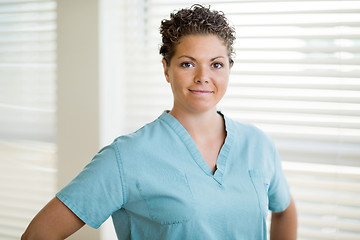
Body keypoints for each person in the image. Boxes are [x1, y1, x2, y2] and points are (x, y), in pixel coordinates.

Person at [22, 4, 297, 240]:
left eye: (216, 64)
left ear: (228, 69)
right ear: (166, 69)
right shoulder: (127, 157)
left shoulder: (258, 144)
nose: (203, 76)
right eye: (188, 64)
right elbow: (39, 234)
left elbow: (284, 210)